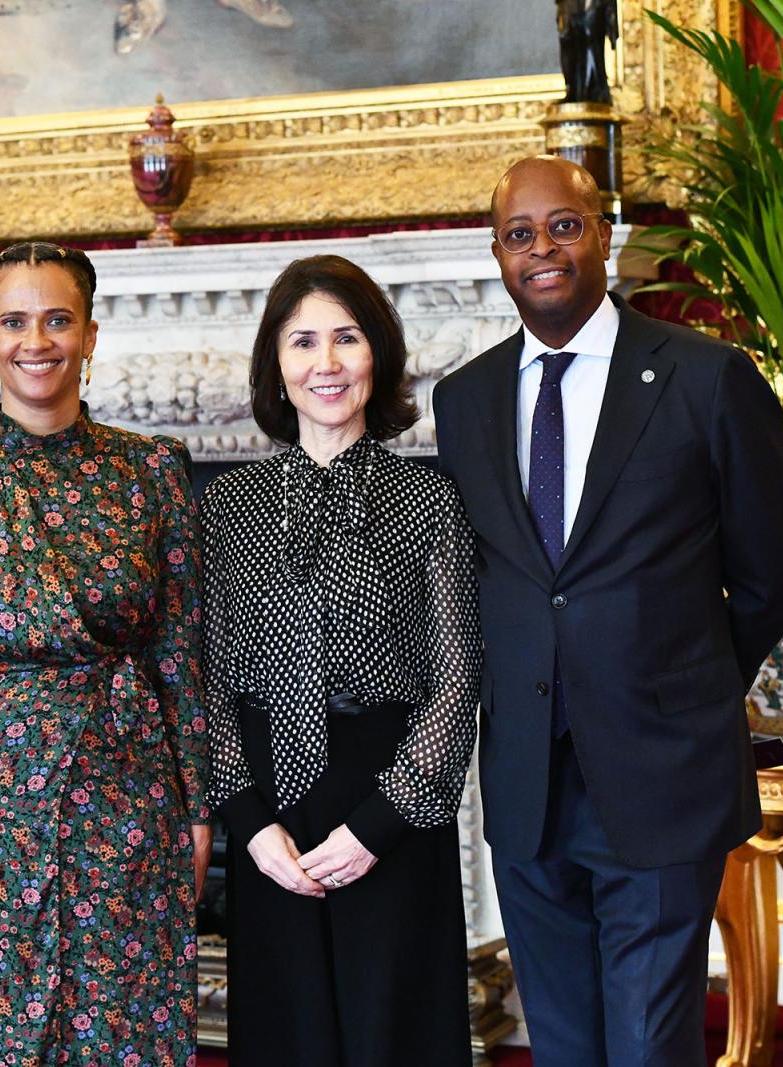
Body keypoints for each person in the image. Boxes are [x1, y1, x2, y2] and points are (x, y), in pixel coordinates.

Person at [433, 156, 783, 1064]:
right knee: (562, 1043)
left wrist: (691, 682)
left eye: (562, 225)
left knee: (648, 1040)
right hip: (528, 779)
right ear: (497, 254)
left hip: (663, 769)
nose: (543, 250)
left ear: (603, 233)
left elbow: (776, 568)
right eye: (520, 235)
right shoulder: (466, 399)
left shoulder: (706, 377)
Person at [0, 241, 210, 1065]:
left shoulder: (152, 468)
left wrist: (198, 807)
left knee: (127, 1034)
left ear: (90, 334)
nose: (36, 341)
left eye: (58, 319)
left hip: (124, 801)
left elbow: (182, 650)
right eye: (13, 321)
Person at [203, 255, 481, 1066]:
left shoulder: (431, 498)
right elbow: (208, 682)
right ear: (276, 366)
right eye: (302, 342)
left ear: (378, 355)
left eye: (347, 338)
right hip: (271, 830)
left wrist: (381, 822)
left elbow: (457, 675)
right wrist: (250, 830)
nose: (325, 363)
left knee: (394, 1037)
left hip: (391, 810)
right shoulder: (226, 506)